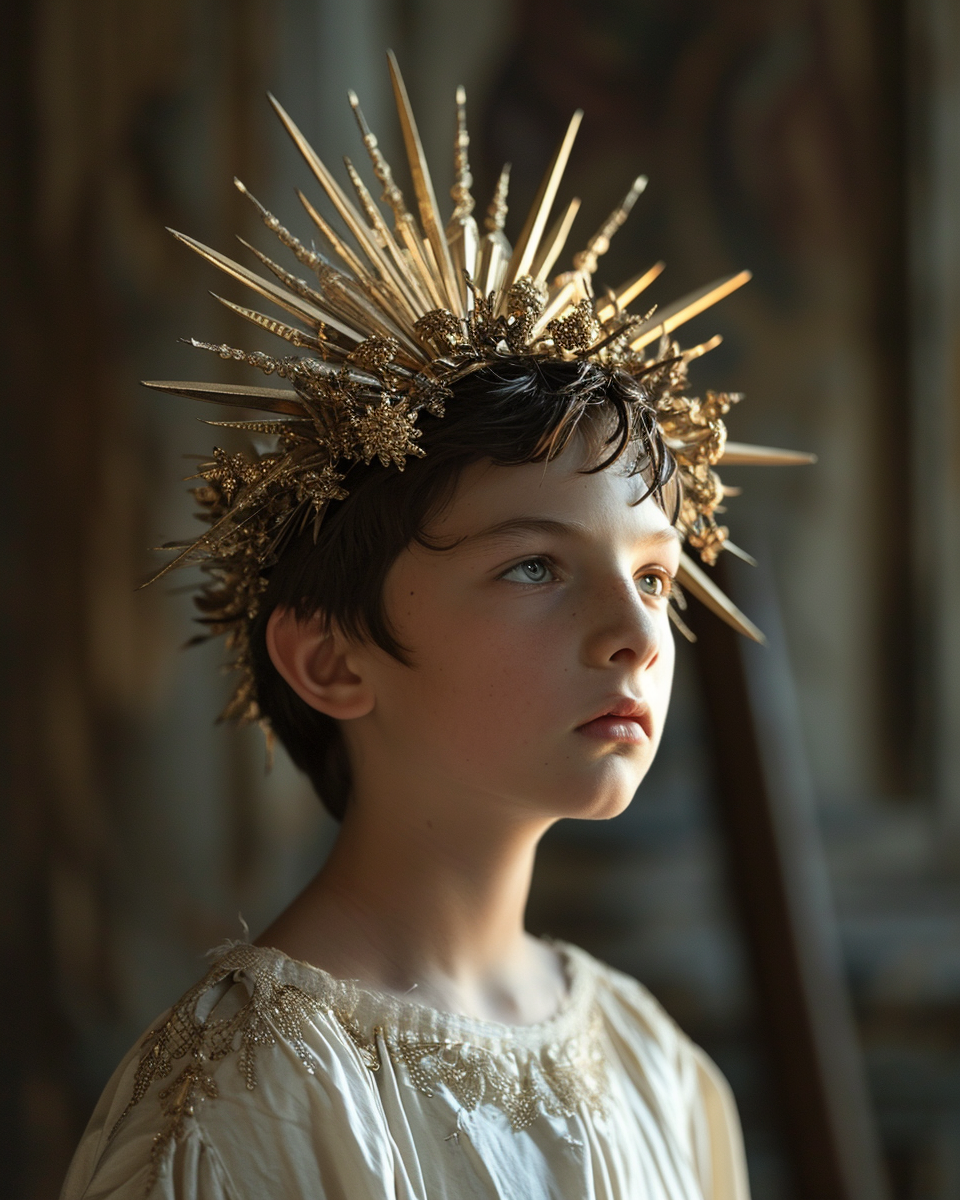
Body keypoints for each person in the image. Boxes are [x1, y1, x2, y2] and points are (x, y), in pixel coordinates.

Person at [60, 51, 796, 1200]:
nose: (636, 637)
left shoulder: (661, 1072)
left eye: (653, 579)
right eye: (537, 565)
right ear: (330, 657)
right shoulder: (247, 1101)